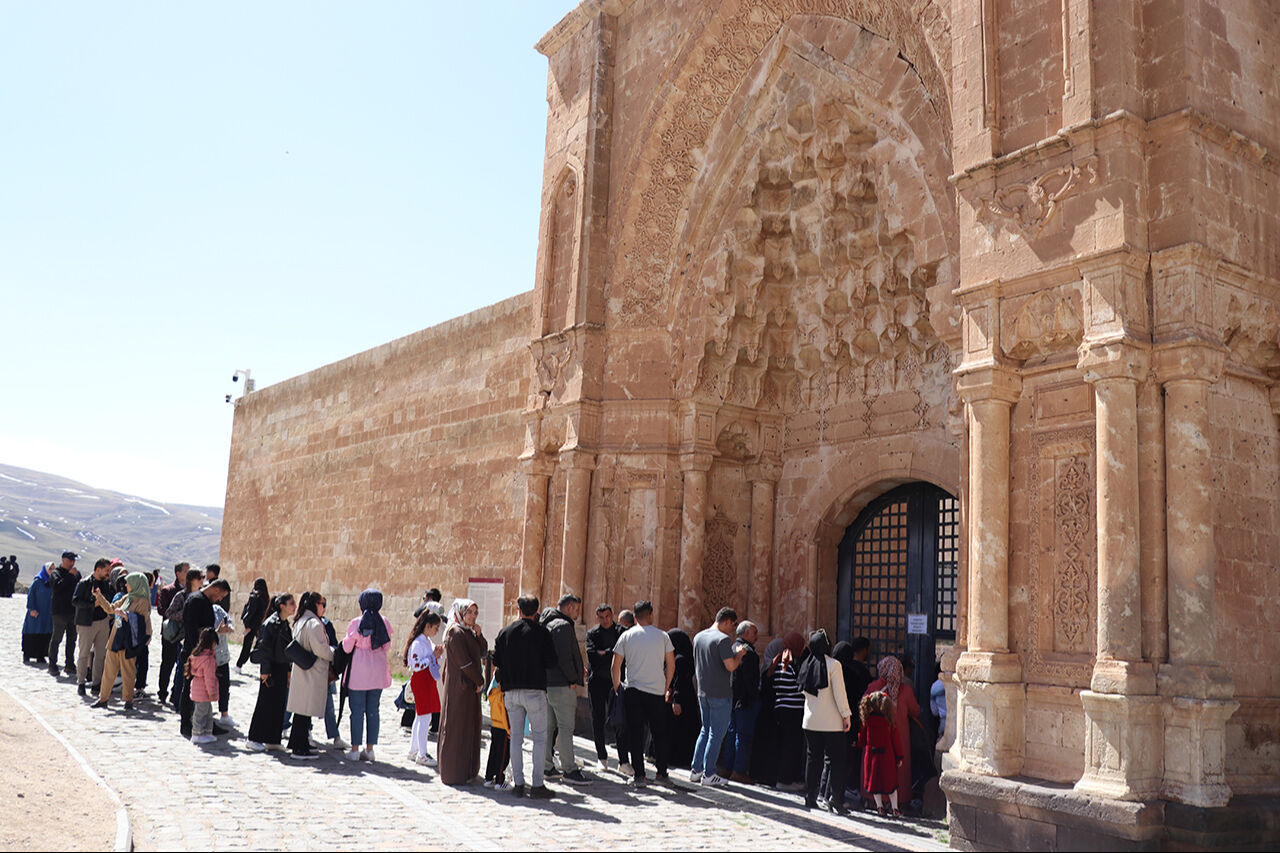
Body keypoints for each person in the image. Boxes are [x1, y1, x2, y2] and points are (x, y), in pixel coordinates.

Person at [493, 593, 558, 798]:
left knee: (516, 739)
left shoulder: (506, 632)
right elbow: (551, 662)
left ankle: (519, 784)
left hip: (512, 692)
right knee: (540, 738)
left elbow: (496, 661)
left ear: (518, 610)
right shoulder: (542, 633)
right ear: (536, 611)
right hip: (535, 691)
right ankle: (537, 784)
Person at [611, 600, 675, 787]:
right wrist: (666, 686)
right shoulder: (662, 636)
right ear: (651, 614)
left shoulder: (626, 636)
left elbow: (615, 666)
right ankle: (662, 773)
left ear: (635, 616)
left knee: (635, 734)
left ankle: (639, 775)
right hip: (656, 691)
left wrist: (617, 688)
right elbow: (671, 664)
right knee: (659, 733)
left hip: (634, 691)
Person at [690, 606, 749, 786]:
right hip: (720, 693)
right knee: (716, 734)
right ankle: (709, 773)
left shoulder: (698, 636)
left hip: (702, 691)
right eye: (732, 625)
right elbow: (730, 666)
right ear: (726, 621)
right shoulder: (723, 639)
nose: (732, 629)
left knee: (705, 730)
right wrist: (739, 654)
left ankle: (696, 770)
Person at [799, 630, 853, 814]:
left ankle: (810, 796)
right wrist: (846, 715)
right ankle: (835, 799)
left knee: (813, 759)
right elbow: (839, 693)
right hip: (831, 722)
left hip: (810, 720)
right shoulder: (834, 665)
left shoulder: (806, 663)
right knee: (837, 760)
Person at [340, 588, 394, 762]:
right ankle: (369, 749)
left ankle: (355, 749)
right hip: (377, 671)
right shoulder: (384, 621)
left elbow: (347, 647)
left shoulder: (356, 622)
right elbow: (386, 646)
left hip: (359, 671)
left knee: (356, 711)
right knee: (373, 710)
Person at [541, 593, 588, 784]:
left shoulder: (547, 622)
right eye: (576, 609)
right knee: (566, 727)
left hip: (548, 684)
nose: (577, 613)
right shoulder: (563, 625)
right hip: (561, 684)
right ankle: (569, 769)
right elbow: (563, 657)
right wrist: (573, 677)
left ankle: (546, 766)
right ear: (569, 607)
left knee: (549, 726)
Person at [438, 598, 486, 784]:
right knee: (456, 728)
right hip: (460, 687)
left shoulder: (468, 632)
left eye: (475, 613)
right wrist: (479, 680)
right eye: (469, 612)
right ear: (461, 612)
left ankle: (467, 770)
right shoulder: (455, 632)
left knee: (468, 727)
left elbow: (481, 653)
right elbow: (464, 662)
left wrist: (479, 635)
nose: (473, 616)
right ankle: (453, 772)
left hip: (470, 687)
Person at [91, 571, 151, 710]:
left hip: (129, 640)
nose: (126, 584)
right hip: (116, 637)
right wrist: (99, 597)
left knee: (128, 672)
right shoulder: (126, 598)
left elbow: (142, 620)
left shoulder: (143, 601)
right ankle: (103, 698)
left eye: (129, 582)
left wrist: (126, 615)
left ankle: (128, 700)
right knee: (108, 670)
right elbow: (111, 609)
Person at [866, 654, 920, 803]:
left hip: (876, 736)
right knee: (898, 769)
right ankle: (898, 801)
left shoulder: (873, 687)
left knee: (875, 768)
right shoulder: (906, 690)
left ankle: (874, 800)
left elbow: (864, 707)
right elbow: (915, 710)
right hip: (899, 736)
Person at [179, 578, 229, 738]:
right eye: (221, 595)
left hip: (205, 653)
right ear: (215, 589)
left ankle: (207, 724)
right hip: (194, 653)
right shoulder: (195, 601)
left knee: (205, 691)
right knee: (189, 688)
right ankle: (186, 724)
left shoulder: (205, 602)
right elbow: (192, 630)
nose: (220, 599)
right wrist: (199, 652)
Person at [286, 591, 333, 759]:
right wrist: (333, 653)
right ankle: (300, 748)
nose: (324, 608)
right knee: (304, 711)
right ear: (315, 604)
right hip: (312, 671)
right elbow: (319, 648)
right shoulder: (314, 623)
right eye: (322, 604)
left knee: (302, 710)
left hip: (302, 669)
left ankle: (297, 742)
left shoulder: (300, 621)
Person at [246, 593, 295, 751]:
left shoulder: (285, 624)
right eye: (291, 603)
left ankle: (273, 739)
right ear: (282, 605)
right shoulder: (271, 624)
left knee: (279, 704)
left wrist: (288, 670)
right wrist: (265, 671)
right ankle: (254, 738)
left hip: (281, 667)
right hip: (271, 668)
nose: (294, 606)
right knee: (265, 704)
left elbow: (287, 650)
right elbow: (264, 648)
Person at [585, 603, 624, 772]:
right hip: (597, 682)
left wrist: (604, 653)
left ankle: (624, 761)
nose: (605, 620)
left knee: (620, 719)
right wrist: (611, 654)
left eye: (607, 616)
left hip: (616, 681)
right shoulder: (593, 633)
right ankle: (601, 757)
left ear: (612, 615)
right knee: (597, 719)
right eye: (601, 617)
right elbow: (592, 656)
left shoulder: (621, 632)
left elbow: (623, 655)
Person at [766, 631, 807, 790]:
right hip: (794, 711)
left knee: (783, 744)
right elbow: (799, 687)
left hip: (780, 708)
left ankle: (780, 777)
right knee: (792, 746)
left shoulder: (777, 663)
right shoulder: (793, 664)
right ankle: (786, 780)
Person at [721, 620, 760, 783]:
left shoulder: (731, 648)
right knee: (743, 736)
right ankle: (738, 770)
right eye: (755, 632)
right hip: (744, 701)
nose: (757, 636)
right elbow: (749, 679)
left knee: (732, 734)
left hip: (732, 699)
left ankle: (727, 768)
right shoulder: (748, 652)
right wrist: (754, 696)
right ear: (746, 633)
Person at [404, 609, 444, 766]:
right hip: (421, 681)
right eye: (435, 628)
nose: (436, 631)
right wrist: (431, 657)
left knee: (420, 717)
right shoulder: (418, 643)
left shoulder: (426, 641)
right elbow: (416, 664)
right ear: (428, 626)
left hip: (426, 680)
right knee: (424, 718)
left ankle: (414, 750)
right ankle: (422, 753)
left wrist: (436, 654)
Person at [858, 689, 904, 817]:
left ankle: (879, 807)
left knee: (875, 784)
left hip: (872, 757)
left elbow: (862, 738)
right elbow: (896, 740)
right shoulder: (889, 721)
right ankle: (895, 808)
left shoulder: (866, 721)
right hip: (887, 757)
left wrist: (857, 744)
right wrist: (899, 756)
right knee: (891, 785)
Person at [72, 558, 113, 697]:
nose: (109, 573)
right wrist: (92, 604)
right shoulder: (84, 583)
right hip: (86, 623)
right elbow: (75, 600)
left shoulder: (107, 585)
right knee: (84, 654)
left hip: (103, 622)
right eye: (107, 570)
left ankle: (97, 684)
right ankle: (81, 682)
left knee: (100, 655)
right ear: (98, 569)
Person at [665, 628, 699, 769]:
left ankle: (675, 757)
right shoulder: (684, 656)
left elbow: (679, 681)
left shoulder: (680, 659)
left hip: (680, 697)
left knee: (679, 729)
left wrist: (676, 699)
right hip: (685, 696)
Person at [156, 562, 189, 701]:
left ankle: (176, 693)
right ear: (178, 573)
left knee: (181, 664)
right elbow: (161, 610)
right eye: (186, 571)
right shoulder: (168, 590)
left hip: (185, 634)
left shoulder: (191, 591)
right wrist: (180, 614)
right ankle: (162, 692)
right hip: (171, 633)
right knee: (167, 662)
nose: (188, 574)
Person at [47, 551, 80, 676]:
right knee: (56, 638)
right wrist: (70, 576)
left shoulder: (76, 574)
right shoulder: (56, 573)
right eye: (70, 560)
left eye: (73, 560)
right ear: (63, 559)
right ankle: (52, 664)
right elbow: (57, 587)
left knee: (72, 640)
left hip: (73, 611)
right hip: (59, 612)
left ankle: (69, 664)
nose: (72, 563)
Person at [187, 627, 220, 745]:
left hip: (197, 688)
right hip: (204, 691)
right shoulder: (208, 660)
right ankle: (197, 733)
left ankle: (207, 732)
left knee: (207, 712)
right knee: (200, 714)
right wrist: (212, 692)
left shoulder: (197, 656)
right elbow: (209, 678)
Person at [22, 562, 54, 665]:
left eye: (54, 569)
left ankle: (41, 655)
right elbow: (31, 595)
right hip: (36, 612)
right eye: (50, 569)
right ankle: (27, 654)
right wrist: (32, 608)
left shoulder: (53, 582)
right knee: (32, 632)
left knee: (44, 634)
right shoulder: (37, 582)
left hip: (47, 613)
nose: (52, 571)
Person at [211, 601, 237, 727]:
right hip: (207, 656)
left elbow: (228, 619)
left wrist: (229, 627)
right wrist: (217, 631)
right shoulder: (200, 608)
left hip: (221, 655)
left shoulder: (217, 609)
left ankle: (224, 713)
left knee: (224, 685)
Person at [236, 577, 269, 672]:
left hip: (252, 625)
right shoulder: (265, 597)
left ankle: (239, 665)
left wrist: (248, 625)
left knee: (246, 645)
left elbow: (251, 612)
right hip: (259, 624)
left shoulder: (254, 596)